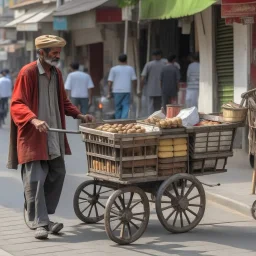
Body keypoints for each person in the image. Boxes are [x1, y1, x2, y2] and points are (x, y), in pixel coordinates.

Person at [7, 35, 94, 240]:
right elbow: (17, 104)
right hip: (33, 135)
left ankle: (38, 211)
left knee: (58, 173)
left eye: (58, 52)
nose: (57, 56)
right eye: (53, 52)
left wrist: (79, 115)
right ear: (41, 53)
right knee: (36, 179)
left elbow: (63, 102)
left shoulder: (56, 73)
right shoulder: (27, 72)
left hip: (53, 134)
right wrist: (33, 119)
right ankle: (41, 222)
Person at [108, 54, 137, 119]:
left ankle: (118, 122)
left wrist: (109, 92)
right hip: (127, 90)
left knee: (118, 107)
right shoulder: (130, 69)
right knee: (126, 106)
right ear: (126, 60)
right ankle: (124, 120)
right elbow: (134, 80)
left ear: (118, 60)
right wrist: (134, 90)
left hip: (116, 91)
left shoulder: (114, 69)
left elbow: (110, 82)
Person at [141, 49, 165, 115]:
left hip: (150, 88)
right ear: (160, 55)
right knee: (161, 105)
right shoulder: (164, 64)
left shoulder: (149, 64)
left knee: (150, 105)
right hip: (161, 88)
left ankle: (150, 118)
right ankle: (161, 117)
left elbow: (143, 77)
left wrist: (141, 87)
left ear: (153, 56)